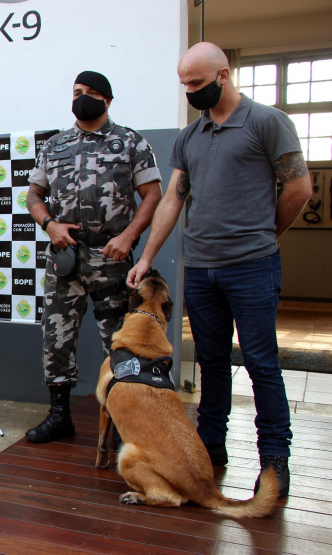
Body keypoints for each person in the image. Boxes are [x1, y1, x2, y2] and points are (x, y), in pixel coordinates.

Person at [127, 42, 311, 498]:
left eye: (196, 83)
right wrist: (148, 255)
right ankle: (211, 445)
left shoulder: (267, 122)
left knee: (261, 363)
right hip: (203, 270)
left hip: (252, 267)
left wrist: (267, 237)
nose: (189, 91)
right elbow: (173, 198)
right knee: (209, 362)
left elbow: (299, 188)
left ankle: (274, 458)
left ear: (224, 75)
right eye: (184, 84)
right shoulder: (191, 138)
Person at [24, 71, 163, 443]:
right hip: (64, 256)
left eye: (90, 93)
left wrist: (129, 235)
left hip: (111, 256)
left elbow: (153, 195)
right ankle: (59, 416)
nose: (82, 97)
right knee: (56, 340)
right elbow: (33, 195)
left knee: (117, 342)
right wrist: (49, 224)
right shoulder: (54, 145)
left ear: (107, 100)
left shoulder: (130, 142)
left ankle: (121, 422)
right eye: (76, 92)